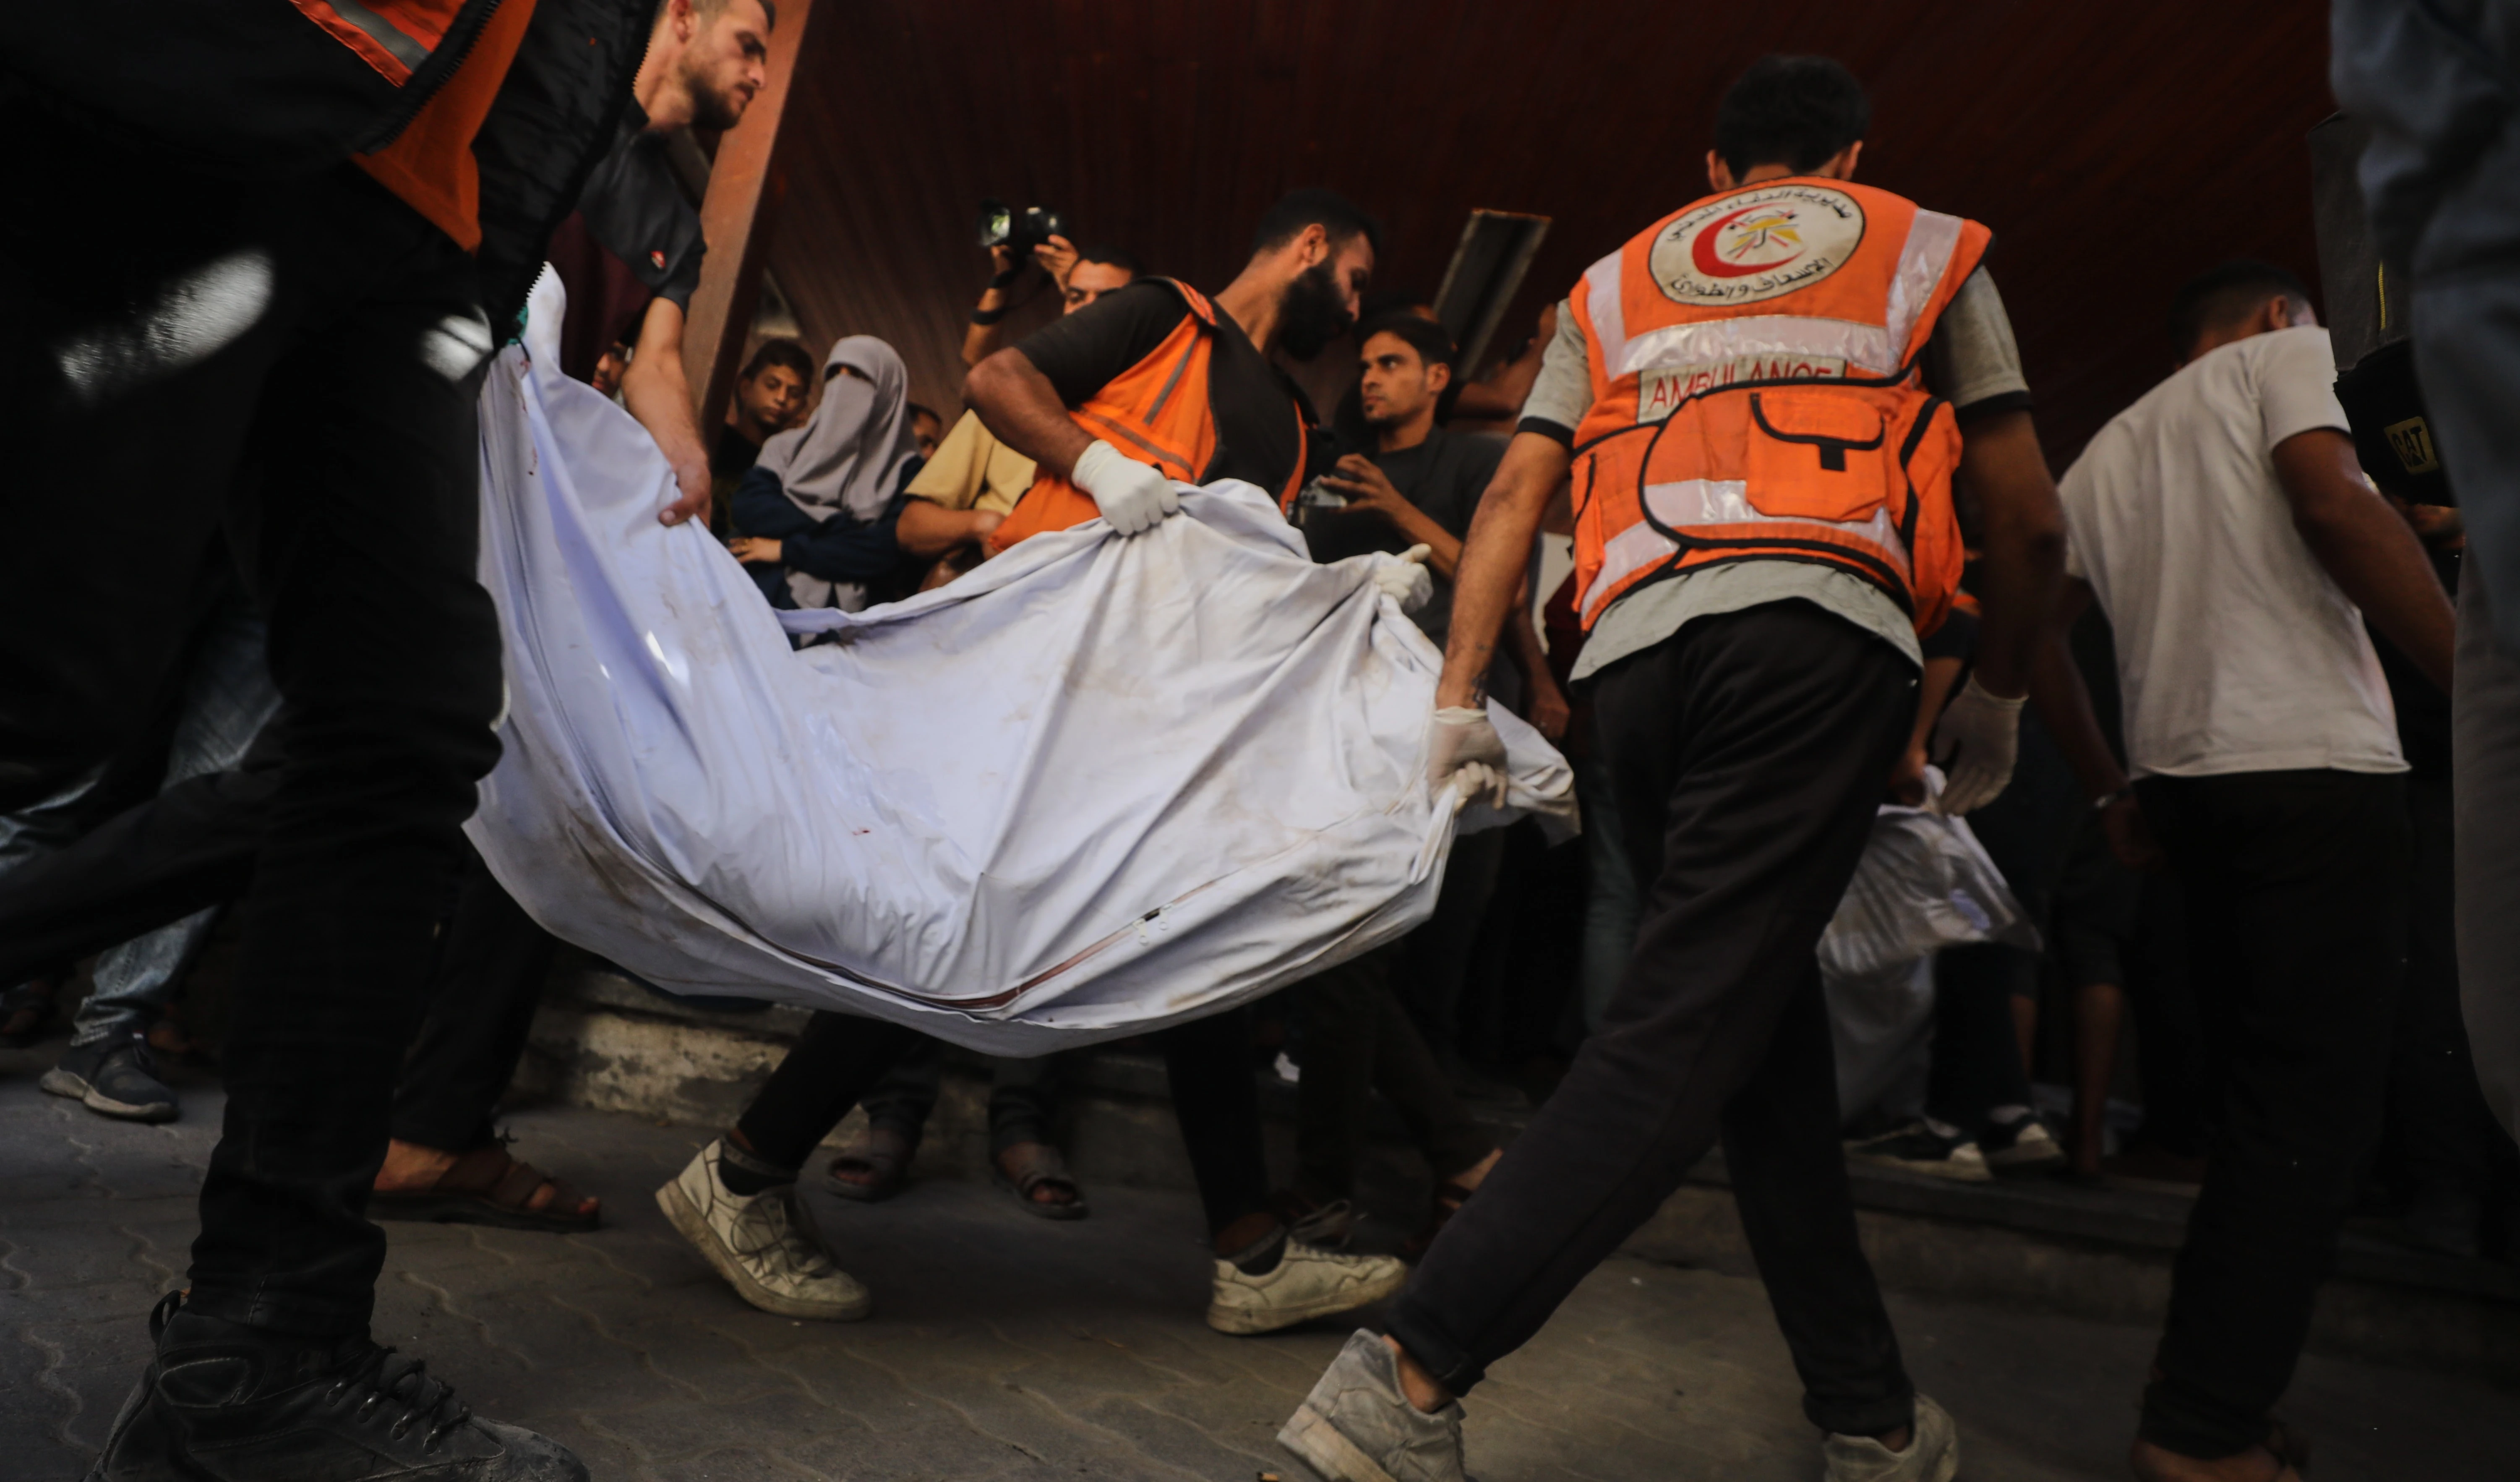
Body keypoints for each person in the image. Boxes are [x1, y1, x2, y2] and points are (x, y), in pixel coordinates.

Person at [1280, 56, 2066, 1482]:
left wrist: (1459, 696)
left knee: (1751, 1042)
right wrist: (1998, 699)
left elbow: (1520, 490)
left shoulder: (1616, 278)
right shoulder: (1915, 244)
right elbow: (2023, 519)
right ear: (1850, 158)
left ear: (1714, 174)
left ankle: (1869, 1418)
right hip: (1811, 646)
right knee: (1675, 1034)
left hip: (1633, 671)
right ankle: (1400, 1375)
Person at [4, 0, 702, 1473]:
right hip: (201, 78)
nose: (758, 73)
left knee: (403, 723)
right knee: (42, 683)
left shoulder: (654, 194)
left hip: (425, 221)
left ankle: (262, 1351)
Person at [654, 189, 1420, 1340]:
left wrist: (1347, 591)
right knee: (963, 924)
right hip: (1044, 684)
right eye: (1354, 282)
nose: (1354, 313)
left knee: (1192, 928)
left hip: (1155, 716)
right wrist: (1100, 469)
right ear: (1307, 248)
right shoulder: (1164, 317)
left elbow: (1240, 575)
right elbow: (1000, 384)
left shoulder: (1296, 422)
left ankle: (1248, 1251)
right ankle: (744, 1172)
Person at [2029, 259, 2453, 1482]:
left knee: (2258, 1114)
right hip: (2312, 768)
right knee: (2308, 1116)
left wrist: (2111, 785)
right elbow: (2329, 504)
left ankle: (2202, 1395)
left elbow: (2040, 638)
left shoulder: (2107, 445)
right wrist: (2484, 682)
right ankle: (2201, 1431)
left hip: (2184, 787)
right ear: (2281, 315)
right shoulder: (2292, 358)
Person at [370, 0, 779, 1236]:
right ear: (685, 20)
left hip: (520, 533)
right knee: (327, 772)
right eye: (749, 42)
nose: (759, 74)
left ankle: (432, 1125)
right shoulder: (536, 85)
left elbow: (656, 363)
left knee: (538, 798)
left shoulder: (674, 216)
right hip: (403, 459)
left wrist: (685, 470)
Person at [35, 577, 278, 1125]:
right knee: (56, 771)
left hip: (270, 551)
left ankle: (110, 1028)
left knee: (210, 804)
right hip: (138, 529)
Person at [899, 244, 1145, 584]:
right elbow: (912, 527)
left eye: (1107, 301)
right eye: (1075, 297)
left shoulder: (1152, 413)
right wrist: (983, 525)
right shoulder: (1006, 400)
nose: (1088, 312)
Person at [728, 334, 922, 616]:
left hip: (849, 626)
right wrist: (841, 531)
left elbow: (881, 553)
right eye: (835, 375)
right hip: (756, 602)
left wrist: (786, 550)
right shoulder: (788, 447)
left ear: (887, 391)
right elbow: (751, 509)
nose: (843, 386)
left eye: (857, 376)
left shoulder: (907, 471)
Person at [710, 337, 817, 524]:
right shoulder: (713, 438)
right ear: (746, 388)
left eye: (794, 394)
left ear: (802, 407)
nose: (781, 398)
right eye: (772, 386)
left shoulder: (791, 469)